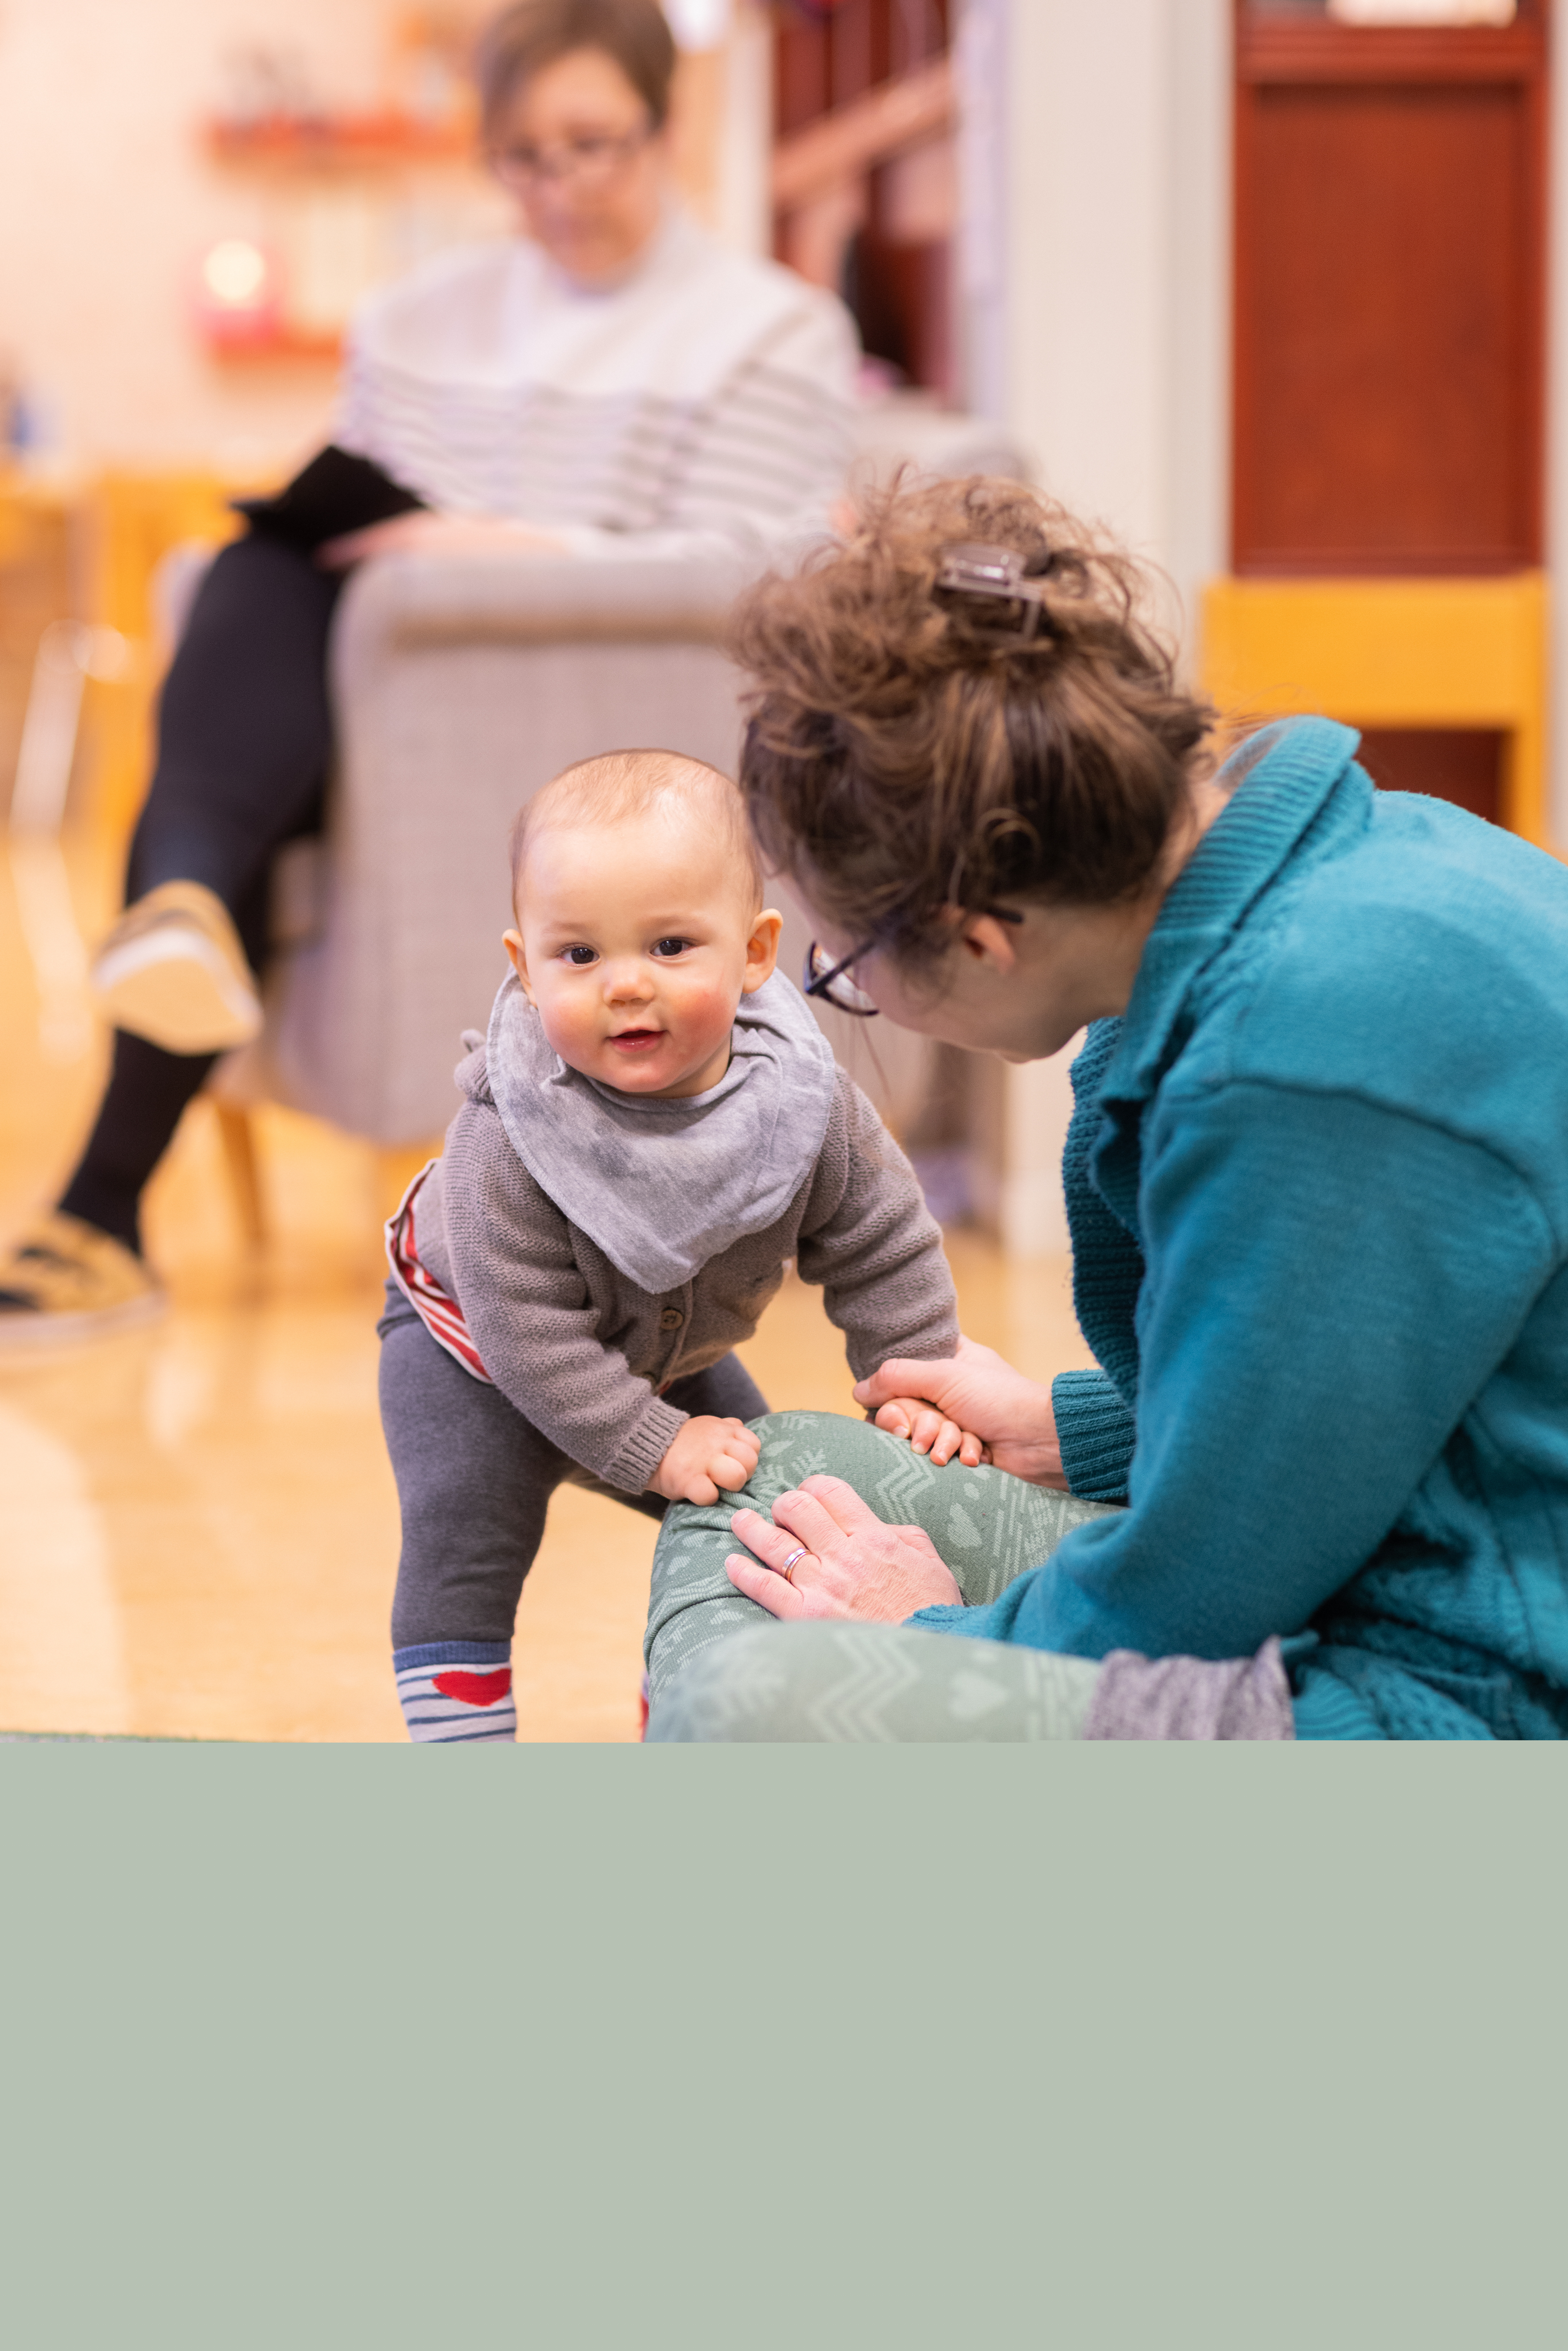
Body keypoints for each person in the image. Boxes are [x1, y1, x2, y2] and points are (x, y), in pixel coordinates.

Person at [642, 475, 1568, 1742]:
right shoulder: (1350, 866)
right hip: (1447, 1555)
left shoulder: (1301, 1059)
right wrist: (1069, 1427)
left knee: (742, 1707)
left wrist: (924, 1638)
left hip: (1478, 1687)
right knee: (778, 1473)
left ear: (979, 938)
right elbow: (1359, 1386)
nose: (856, 998)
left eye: (847, 967)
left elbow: (1205, 1583)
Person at [0, 0, 857, 1342]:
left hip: (549, 691)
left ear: (665, 128)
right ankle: (180, 924)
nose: (559, 188)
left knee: (269, 624)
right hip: (368, 691)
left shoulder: (767, 329)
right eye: (523, 156)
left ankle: (111, 1187)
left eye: (594, 146)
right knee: (259, 567)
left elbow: (757, 559)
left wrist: (490, 546)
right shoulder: (418, 316)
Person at [377, 750, 973, 1740]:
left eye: (669, 945)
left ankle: (689, 1716)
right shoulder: (511, 1130)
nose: (625, 987)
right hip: (471, 1355)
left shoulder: (800, 1101)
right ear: (524, 971)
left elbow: (882, 1241)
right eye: (579, 957)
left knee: (767, 1517)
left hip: (665, 1348)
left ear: (753, 954)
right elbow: (528, 1332)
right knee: (465, 1547)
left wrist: (915, 1378)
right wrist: (656, 1443)